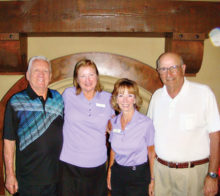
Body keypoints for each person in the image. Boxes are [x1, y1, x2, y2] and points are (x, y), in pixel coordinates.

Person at [147, 52, 220, 196]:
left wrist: (212, 175)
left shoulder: (203, 93)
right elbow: (148, 132)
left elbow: (216, 136)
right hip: (161, 173)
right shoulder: (156, 97)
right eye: (163, 69)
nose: (169, 74)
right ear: (158, 72)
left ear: (183, 68)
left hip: (193, 174)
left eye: (173, 67)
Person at [3, 56, 64, 196]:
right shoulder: (16, 101)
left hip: (56, 179)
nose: (41, 75)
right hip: (28, 181)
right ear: (28, 75)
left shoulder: (58, 99)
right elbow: (8, 141)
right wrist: (10, 174)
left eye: (45, 71)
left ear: (50, 76)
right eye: (36, 70)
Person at [59, 59, 114, 196]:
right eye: (82, 76)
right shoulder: (68, 95)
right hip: (69, 164)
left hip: (97, 165)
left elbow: (113, 129)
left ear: (97, 76)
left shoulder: (108, 99)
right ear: (76, 79)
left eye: (91, 75)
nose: (87, 80)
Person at [107, 78, 155, 196]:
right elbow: (113, 149)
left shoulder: (146, 123)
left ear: (135, 99)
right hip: (118, 173)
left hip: (138, 176)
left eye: (130, 95)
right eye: (121, 95)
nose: (125, 100)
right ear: (116, 99)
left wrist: (153, 179)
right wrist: (109, 172)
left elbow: (151, 153)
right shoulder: (113, 122)